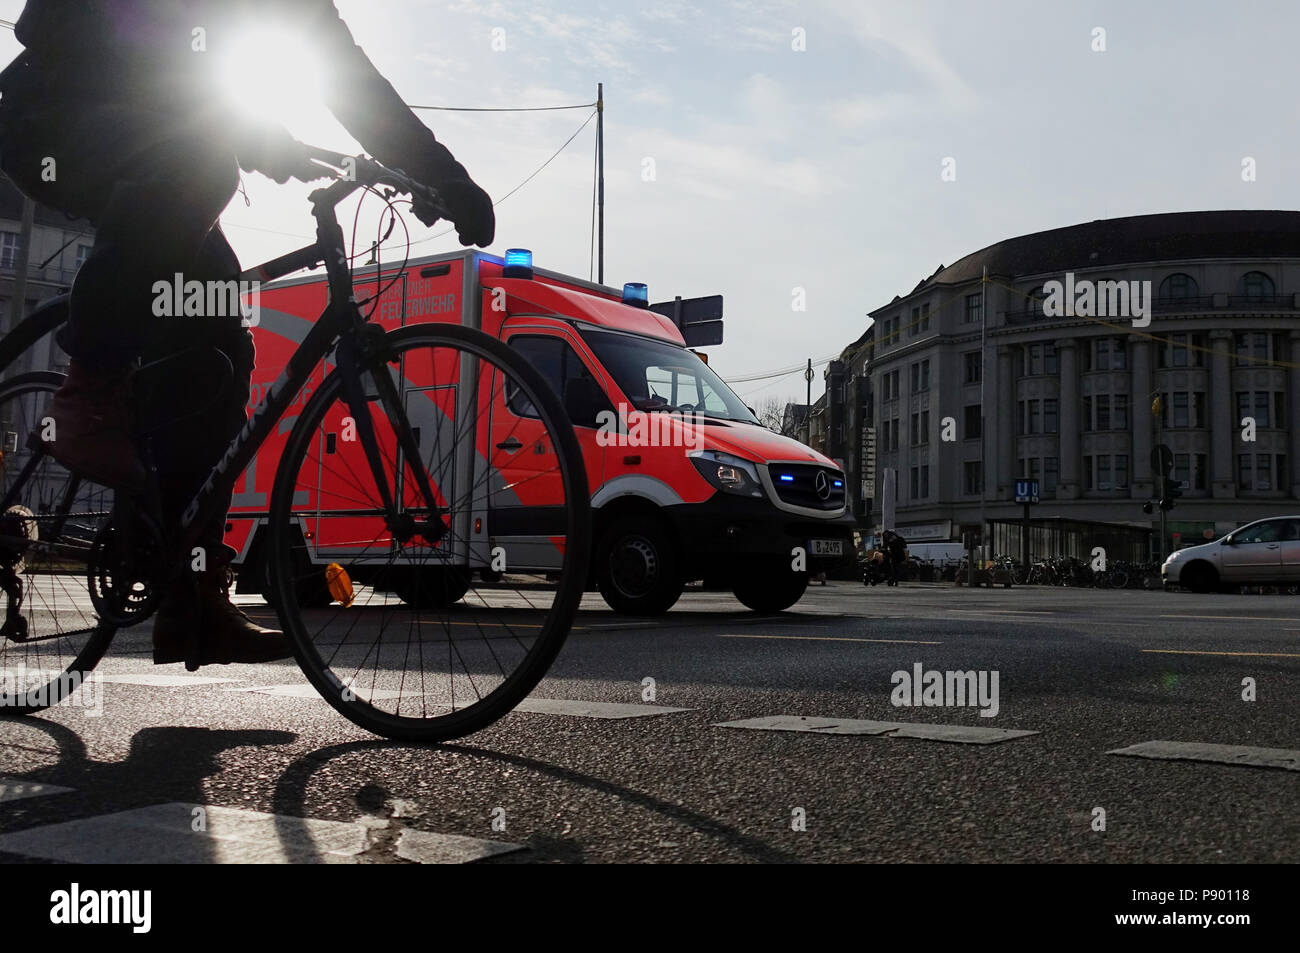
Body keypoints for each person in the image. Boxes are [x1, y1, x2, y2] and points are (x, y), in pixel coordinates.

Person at [0, 0, 495, 665]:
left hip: (164, 144)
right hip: (55, 113)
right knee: (200, 163)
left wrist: (441, 175)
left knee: (219, 344)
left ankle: (193, 597)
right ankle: (88, 389)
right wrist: (255, 135)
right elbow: (140, 43)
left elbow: (349, 80)